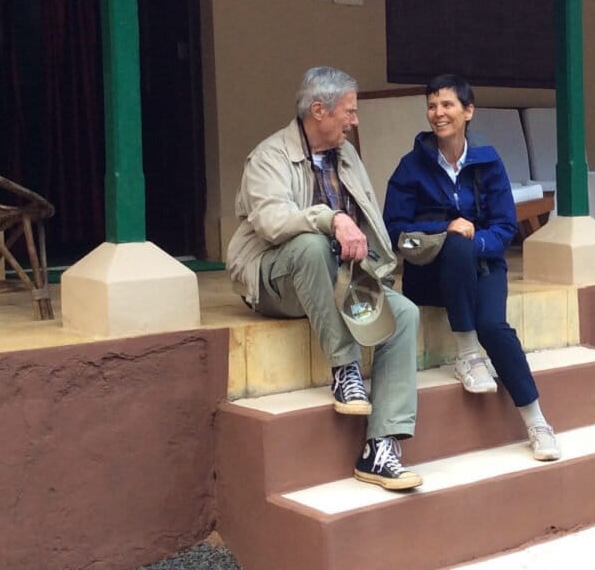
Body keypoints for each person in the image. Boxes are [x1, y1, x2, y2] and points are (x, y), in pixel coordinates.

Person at [226, 66, 422, 490]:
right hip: (275, 280)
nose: (355, 120)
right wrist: (330, 218)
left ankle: (382, 447)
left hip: (336, 279)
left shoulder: (347, 156)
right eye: (349, 111)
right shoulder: (270, 156)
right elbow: (272, 223)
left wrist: (381, 272)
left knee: (404, 313)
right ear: (320, 110)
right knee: (311, 246)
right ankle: (344, 370)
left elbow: (367, 220)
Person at [383, 73, 560, 462]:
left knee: (495, 326)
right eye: (432, 105)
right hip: (430, 273)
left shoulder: (488, 161)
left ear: (468, 111)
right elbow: (395, 228)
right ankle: (467, 353)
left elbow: (504, 226)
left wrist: (474, 241)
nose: (438, 113)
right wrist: (444, 229)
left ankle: (537, 422)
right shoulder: (411, 166)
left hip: (483, 266)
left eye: (447, 105)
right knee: (455, 243)